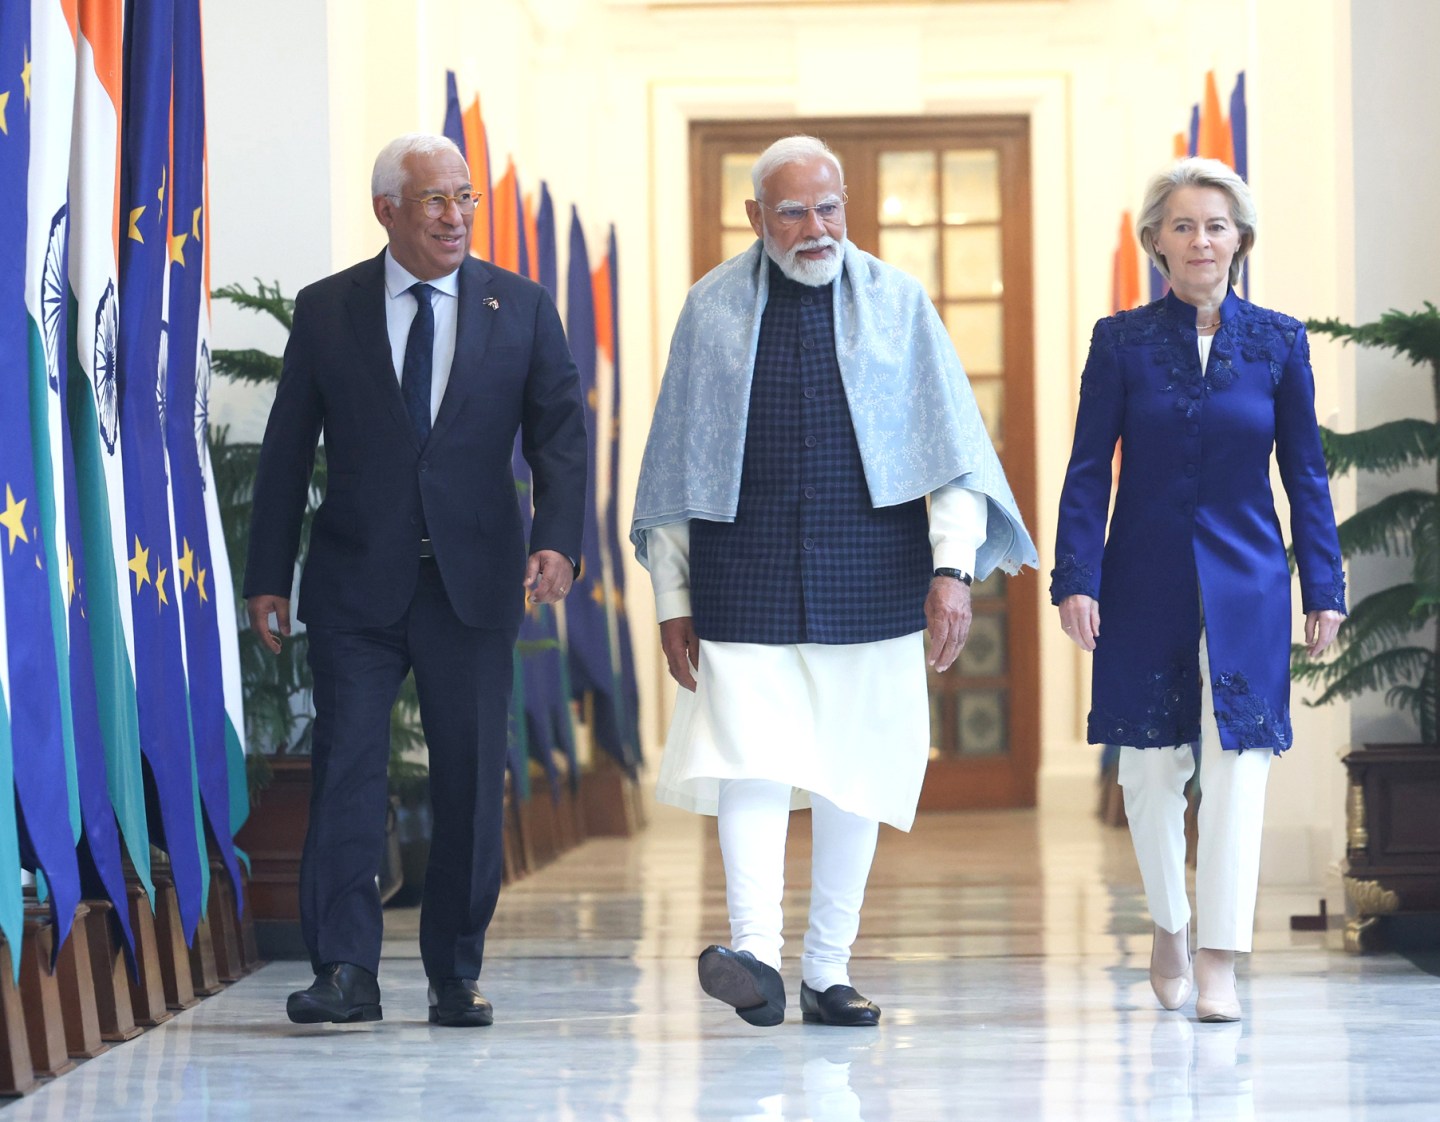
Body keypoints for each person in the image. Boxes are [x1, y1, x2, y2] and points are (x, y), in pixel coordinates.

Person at [631, 135, 1036, 1028]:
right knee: (748, 760)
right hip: (743, 572)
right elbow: (675, 467)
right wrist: (673, 598)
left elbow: (952, 455)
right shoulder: (709, 309)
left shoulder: (900, 303)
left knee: (855, 770)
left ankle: (827, 970)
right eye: (793, 212)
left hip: (873, 572)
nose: (816, 228)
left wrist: (952, 570)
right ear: (755, 217)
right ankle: (754, 956)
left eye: (829, 207)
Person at [244, 133, 586, 1027]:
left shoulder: (521, 306)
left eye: (465, 197)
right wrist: (267, 574)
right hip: (356, 581)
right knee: (347, 772)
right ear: (387, 210)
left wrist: (558, 541)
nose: (454, 216)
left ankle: (454, 972)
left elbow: (560, 433)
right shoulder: (328, 309)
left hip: (473, 584)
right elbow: (287, 450)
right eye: (435, 199)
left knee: (469, 780)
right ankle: (345, 971)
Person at [1051, 157, 1346, 1023]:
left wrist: (1322, 584)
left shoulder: (1279, 342)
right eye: (1183, 225)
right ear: (1156, 242)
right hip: (1142, 581)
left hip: (1249, 584)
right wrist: (1077, 577)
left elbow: (1306, 473)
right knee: (1149, 771)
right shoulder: (1121, 342)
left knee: (1238, 769)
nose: (1201, 240)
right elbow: (1086, 471)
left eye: (1216, 225)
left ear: (1240, 239)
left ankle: (1219, 957)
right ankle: (1171, 926)